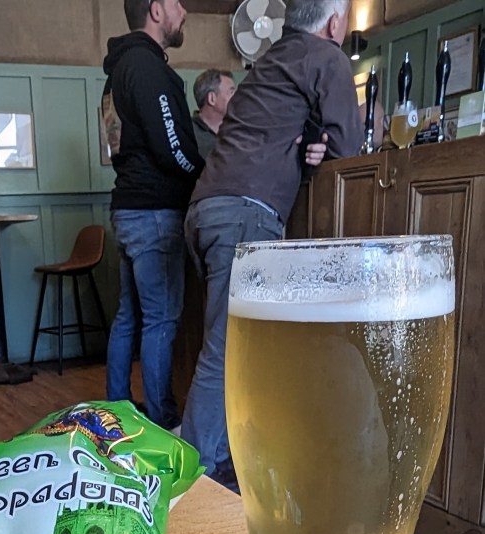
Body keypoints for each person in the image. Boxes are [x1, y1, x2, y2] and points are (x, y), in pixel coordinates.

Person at [181, 0, 363, 486]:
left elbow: (283, 132)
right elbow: (351, 147)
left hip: (206, 210)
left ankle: (218, 459)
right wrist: (326, 146)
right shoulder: (325, 57)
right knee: (226, 349)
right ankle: (194, 480)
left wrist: (313, 144)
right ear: (335, 21)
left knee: (229, 345)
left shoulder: (268, 62)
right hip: (245, 213)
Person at [102, 0, 204, 431]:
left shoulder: (117, 72)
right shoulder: (147, 68)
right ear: (157, 9)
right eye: (177, 2)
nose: (184, 11)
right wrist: (204, 175)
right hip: (154, 213)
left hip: (127, 208)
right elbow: (171, 148)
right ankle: (162, 423)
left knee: (129, 316)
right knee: (160, 319)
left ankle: (116, 413)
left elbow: (119, 146)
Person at [192, 69, 236, 158]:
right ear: (212, 99)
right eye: (231, 92)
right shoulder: (187, 135)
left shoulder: (238, 130)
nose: (237, 97)